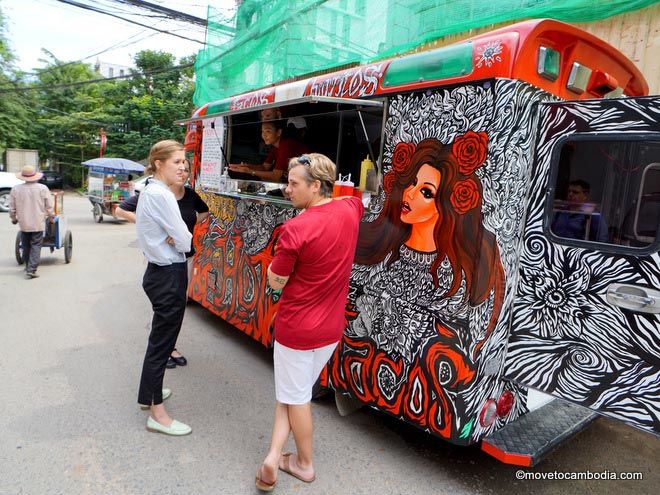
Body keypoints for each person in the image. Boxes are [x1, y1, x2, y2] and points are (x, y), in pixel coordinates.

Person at [255, 153, 364, 491]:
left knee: (297, 396)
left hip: (297, 328)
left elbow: (276, 281)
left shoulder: (295, 228)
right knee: (292, 392)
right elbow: (359, 196)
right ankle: (274, 456)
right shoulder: (350, 210)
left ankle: (303, 464)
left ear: (316, 186)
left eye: (294, 183)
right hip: (330, 328)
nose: (287, 189)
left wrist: (274, 272)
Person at [353, 136, 504, 361]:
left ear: (445, 205)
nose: (410, 193)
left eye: (426, 192)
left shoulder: (451, 278)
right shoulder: (386, 250)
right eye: (412, 183)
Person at [116, 160, 209, 369]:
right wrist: (152, 227)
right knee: (164, 308)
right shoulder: (156, 194)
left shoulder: (190, 195)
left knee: (178, 306)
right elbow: (120, 210)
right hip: (163, 259)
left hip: (185, 256)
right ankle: (163, 350)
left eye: (186, 170)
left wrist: (187, 230)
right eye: (178, 166)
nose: (183, 173)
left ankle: (171, 346)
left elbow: (204, 213)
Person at [135, 140, 193, 436]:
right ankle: (157, 413)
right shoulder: (163, 196)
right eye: (177, 162)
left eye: (185, 162)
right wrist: (181, 238)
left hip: (159, 272)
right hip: (168, 274)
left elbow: (178, 237)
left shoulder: (150, 189)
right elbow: (185, 240)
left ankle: (149, 395)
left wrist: (177, 237)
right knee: (162, 345)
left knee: (159, 341)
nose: (183, 167)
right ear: (158, 163)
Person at [9, 165, 55, 279]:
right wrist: (51, 217)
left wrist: (14, 218)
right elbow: (49, 206)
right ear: (35, 176)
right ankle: (31, 269)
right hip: (38, 222)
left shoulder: (16, 189)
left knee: (25, 245)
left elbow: (12, 208)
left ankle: (27, 266)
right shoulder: (43, 188)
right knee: (36, 245)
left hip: (24, 224)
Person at [229, 120, 309, 183]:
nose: (264, 135)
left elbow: (276, 176)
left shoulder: (285, 145)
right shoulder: (275, 147)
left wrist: (250, 171)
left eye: (268, 131)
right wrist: (247, 166)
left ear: (279, 132)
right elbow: (265, 167)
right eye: (262, 131)